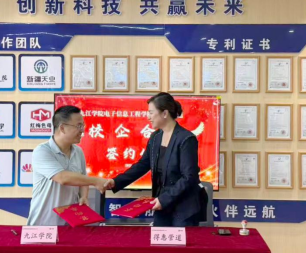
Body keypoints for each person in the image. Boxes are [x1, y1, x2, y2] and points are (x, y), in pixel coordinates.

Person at [107, 93, 206, 227]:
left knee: (179, 240)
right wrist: (116, 182)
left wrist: (164, 199)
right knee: (159, 239)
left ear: (164, 113)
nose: (148, 117)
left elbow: (189, 177)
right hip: (162, 204)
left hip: (184, 207)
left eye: (151, 112)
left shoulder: (186, 139)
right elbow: (143, 164)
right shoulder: (155, 137)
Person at [27, 105, 112, 226]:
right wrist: (96, 181)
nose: (82, 130)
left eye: (83, 126)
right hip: (43, 224)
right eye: (78, 126)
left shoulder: (78, 151)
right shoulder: (42, 151)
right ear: (62, 128)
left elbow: (82, 179)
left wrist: (84, 196)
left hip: (70, 224)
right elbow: (62, 178)